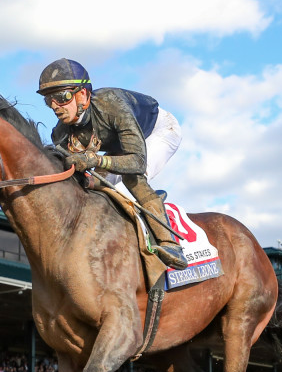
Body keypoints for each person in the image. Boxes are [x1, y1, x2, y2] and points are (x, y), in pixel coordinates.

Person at [37, 58, 188, 270]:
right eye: (48, 100)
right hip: (123, 144)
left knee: (131, 177)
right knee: (89, 185)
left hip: (158, 131)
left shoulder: (113, 104)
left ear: (83, 94)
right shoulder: (61, 133)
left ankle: (170, 243)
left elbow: (136, 161)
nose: (54, 106)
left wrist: (97, 159)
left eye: (62, 97)